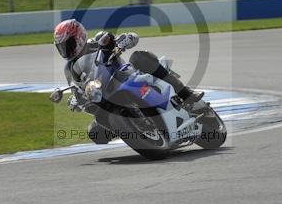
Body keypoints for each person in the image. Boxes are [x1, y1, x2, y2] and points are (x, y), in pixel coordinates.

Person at [52, 19, 203, 144]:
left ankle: (186, 93)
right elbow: (76, 90)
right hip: (104, 98)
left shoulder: (98, 42)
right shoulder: (69, 70)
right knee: (95, 133)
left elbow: (126, 38)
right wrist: (75, 100)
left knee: (139, 57)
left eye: (69, 44)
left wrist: (124, 40)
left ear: (79, 38)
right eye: (62, 47)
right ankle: (130, 130)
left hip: (123, 76)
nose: (66, 50)